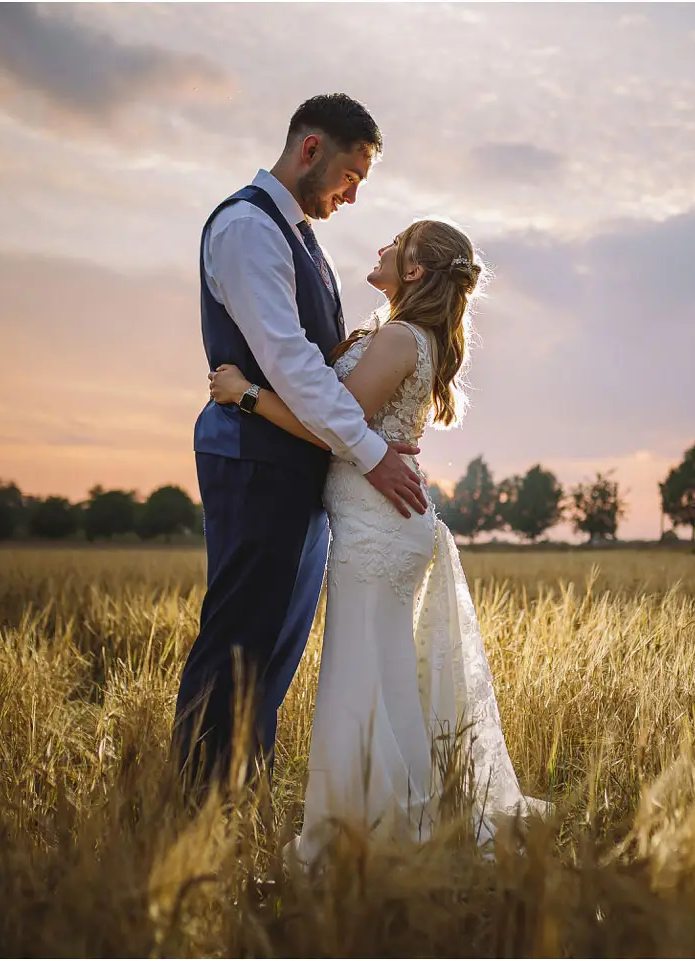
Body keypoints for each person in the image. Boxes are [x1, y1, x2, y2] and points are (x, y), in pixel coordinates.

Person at [209, 218, 547, 863]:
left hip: (378, 529)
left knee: (359, 682)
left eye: (397, 243)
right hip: (381, 522)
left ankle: (370, 838)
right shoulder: (402, 334)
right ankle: (385, 825)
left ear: (414, 270)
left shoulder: (398, 338)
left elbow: (332, 424)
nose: (384, 246)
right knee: (380, 682)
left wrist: (246, 395)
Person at [174, 94, 427, 793]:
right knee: (240, 635)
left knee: (275, 644)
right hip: (253, 456)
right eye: (351, 176)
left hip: (297, 462)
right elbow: (292, 364)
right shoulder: (248, 228)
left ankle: (238, 793)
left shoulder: (300, 235)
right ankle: (196, 800)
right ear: (311, 149)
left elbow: (323, 363)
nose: (352, 196)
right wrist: (371, 455)